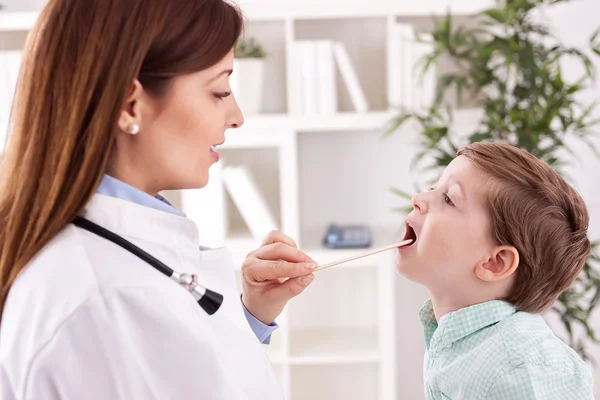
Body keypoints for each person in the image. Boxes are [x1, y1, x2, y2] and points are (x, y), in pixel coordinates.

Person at [0, 1, 317, 399]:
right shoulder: (105, 305)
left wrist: (250, 316)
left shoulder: (120, 257)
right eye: (219, 91)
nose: (236, 116)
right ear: (130, 104)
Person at [396, 142, 594, 399]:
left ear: (495, 263)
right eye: (435, 187)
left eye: (448, 199)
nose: (419, 198)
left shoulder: (521, 370)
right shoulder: (455, 342)